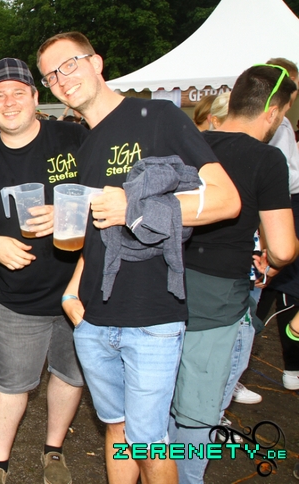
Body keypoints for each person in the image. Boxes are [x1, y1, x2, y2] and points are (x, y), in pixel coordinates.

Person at [36, 31, 240, 484]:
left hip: (151, 317)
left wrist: (136, 206)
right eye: (50, 75)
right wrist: (72, 296)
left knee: (149, 441)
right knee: (117, 429)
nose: (61, 79)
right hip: (94, 318)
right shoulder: (85, 144)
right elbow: (100, 234)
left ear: (96, 63)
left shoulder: (159, 117)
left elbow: (226, 199)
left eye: (68, 65)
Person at [0, 58, 85, 484]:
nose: (9, 102)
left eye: (18, 93)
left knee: (70, 375)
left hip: (80, 289)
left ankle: (54, 450)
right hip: (20, 296)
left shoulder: (74, 138)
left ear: (36, 98)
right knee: (12, 382)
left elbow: (112, 189)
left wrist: (71, 211)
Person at [168, 64, 298, 483]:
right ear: (273, 112)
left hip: (165, 288)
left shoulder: (191, 143)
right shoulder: (267, 158)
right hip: (218, 302)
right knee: (198, 413)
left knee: (160, 399)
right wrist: (275, 258)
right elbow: (283, 247)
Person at [255, 57, 299, 392]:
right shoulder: (277, 125)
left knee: (268, 280)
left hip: (275, 207)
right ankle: (292, 365)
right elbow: (282, 176)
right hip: (278, 207)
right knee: (273, 279)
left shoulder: (278, 124)